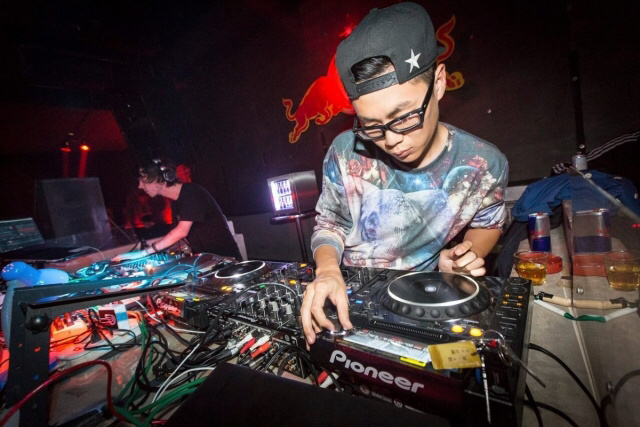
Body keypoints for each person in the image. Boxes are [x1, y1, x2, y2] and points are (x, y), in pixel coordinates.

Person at [300, 2, 509, 345]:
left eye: (405, 118)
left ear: (438, 83)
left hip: (420, 300)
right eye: (372, 126)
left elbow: (489, 222)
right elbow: (330, 224)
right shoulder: (344, 150)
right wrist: (327, 271)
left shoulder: (483, 165)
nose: (392, 140)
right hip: (347, 293)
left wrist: (463, 257)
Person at [112, 158, 242, 261]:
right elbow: (178, 238)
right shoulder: (176, 204)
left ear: (160, 179)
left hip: (227, 262)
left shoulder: (191, 192)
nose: (140, 186)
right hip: (208, 263)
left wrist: (146, 252)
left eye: (143, 180)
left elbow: (181, 231)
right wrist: (154, 252)